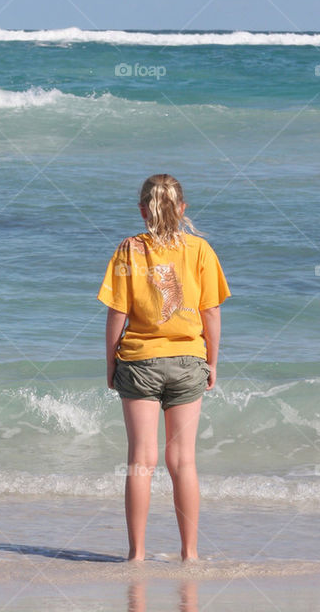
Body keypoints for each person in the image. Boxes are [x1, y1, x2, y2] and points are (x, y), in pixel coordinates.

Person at [98, 174, 230, 561]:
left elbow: (117, 314)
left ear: (142, 210)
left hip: (139, 361)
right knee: (183, 460)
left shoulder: (129, 250)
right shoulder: (201, 249)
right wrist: (212, 361)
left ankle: (136, 555)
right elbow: (212, 312)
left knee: (142, 460)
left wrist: (110, 363)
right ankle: (190, 554)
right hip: (190, 359)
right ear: (183, 209)